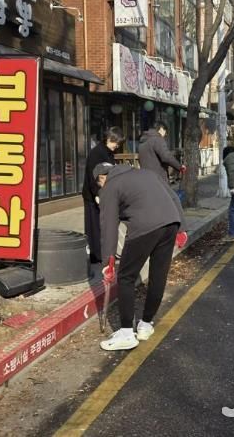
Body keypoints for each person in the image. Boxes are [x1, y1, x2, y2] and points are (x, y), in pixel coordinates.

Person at [93, 162, 188, 351]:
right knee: (158, 275)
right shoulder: (147, 173)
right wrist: (182, 228)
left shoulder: (110, 186)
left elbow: (109, 226)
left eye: (99, 184)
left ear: (102, 178)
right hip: (171, 223)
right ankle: (146, 324)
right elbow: (173, 197)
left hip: (144, 228)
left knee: (126, 277)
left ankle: (127, 333)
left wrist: (108, 261)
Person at [82, 127, 124, 263]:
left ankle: (107, 253)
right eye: (116, 143)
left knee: (105, 226)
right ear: (109, 139)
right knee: (94, 227)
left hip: (105, 193)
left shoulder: (108, 152)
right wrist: (96, 194)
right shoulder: (97, 153)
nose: (117, 146)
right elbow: (92, 175)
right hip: (94, 195)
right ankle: (96, 255)